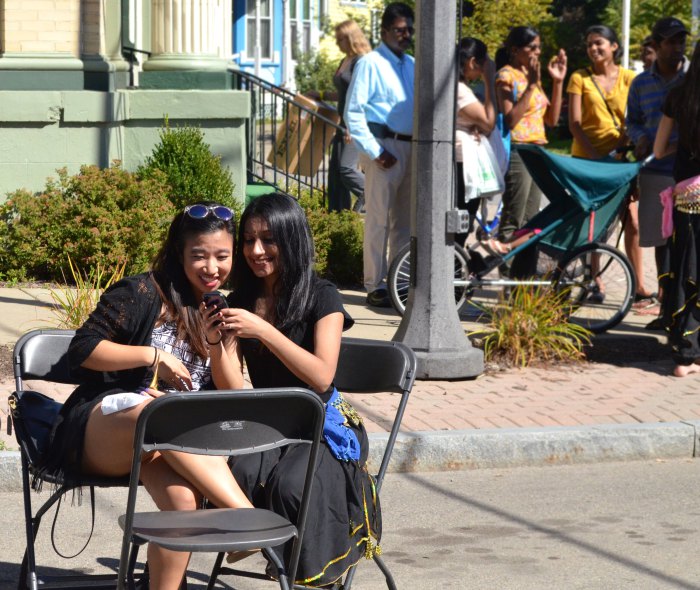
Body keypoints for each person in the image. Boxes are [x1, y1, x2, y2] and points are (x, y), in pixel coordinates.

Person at [39, 202, 254, 590]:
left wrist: (216, 341)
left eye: (222, 256)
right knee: (158, 411)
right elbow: (82, 350)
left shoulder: (221, 308)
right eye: (199, 256)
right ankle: (243, 516)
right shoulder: (141, 292)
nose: (212, 267)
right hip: (107, 429)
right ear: (178, 253)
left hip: (167, 447)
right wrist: (153, 356)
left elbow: (232, 393)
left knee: (183, 504)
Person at [220, 193, 380, 587]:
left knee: (293, 485)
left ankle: (307, 574)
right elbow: (230, 386)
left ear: (291, 239)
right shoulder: (242, 299)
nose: (256, 251)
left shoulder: (322, 296)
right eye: (248, 240)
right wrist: (216, 342)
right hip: (271, 423)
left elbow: (321, 376)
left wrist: (263, 331)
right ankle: (271, 551)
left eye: (268, 239)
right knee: (239, 471)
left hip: (321, 423)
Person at [567, 25, 655, 306]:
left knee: (633, 221)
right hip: (587, 160)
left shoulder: (630, 78)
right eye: (589, 44)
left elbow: (636, 117)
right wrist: (595, 157)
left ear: (614, 46)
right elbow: (575, 124)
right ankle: (595, 278)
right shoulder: (579, 78)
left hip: (619, 159)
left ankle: (639, 285)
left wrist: (624, 146)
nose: (593, 48)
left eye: (599, 43)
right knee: (595, 222)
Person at [344, 2, 415, 308]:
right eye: (399, 30)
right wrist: (375, 151)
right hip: (384, 146)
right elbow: (353, 112)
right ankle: (375, 284)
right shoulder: (370, 63)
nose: (405, 35)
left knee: (405, 222)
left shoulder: (413, 64)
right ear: (385, 31)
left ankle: (399, 282)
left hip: (413, 146)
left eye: (409, 29)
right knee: (378, 219)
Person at [626, 16, 689, 330]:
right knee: (661, 242)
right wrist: (639, 138)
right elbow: (632, 121)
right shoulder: (640, 83)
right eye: (671, 41)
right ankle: (666, 308)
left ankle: (685, 313)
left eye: (681, 41)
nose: (678, 47)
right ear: (656, 45)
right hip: (654, 171)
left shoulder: (693, 78)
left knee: (688, 243)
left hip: (689, 174)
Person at [495, 26, 567, 277]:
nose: (537, 52)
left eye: (539, 47)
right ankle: (506, 278)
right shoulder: (506, 75)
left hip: (538, 151)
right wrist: (532, 85)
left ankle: (522, 277)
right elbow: (511, 119)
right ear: (515, 50)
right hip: (519, 150)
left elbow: (552, 120)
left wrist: (557, 81)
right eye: (532, 47)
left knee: (531, 220)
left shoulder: (531, 75)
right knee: (514, 218)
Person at [655, 40, 700, 377]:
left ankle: (685, 354)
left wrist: (683, 145)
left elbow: (658, 150)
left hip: (686, 195)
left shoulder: (678, 96)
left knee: (686, 268)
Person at [454, 36, 498, 247]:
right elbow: (489, 122)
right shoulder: (460, 90)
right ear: (472, 62)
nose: (480, 72)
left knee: (462, 224)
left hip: (461, 161)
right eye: (481, 67)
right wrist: (489, 81)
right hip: (462, 164)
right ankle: (453, 265)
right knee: (462, 224)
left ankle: (455, 263)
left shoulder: (455, 86)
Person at [327, 20, 371, 212]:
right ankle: (340, 220)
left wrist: (353, 126)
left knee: (347, 169)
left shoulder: (361, 62)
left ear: (351, 38)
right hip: (342, 124)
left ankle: (373, 193)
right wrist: (320, 95)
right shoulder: (344, 60)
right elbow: (344, 94)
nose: (337, 43)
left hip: (355, 125)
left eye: (340, 39)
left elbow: (364, 97)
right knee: (336, 178)